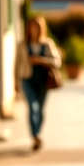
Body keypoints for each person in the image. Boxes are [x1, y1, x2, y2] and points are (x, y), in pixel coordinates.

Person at [15, 17, 61, 151]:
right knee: (32, 106)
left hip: (43, 80)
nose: (34, 29)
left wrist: (40, 60)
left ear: (41, 29)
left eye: (36, 27)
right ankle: (35, 136)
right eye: (32, 27)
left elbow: (57, 62)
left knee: (40, 109)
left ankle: (38, 132)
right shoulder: (22, 44)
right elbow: (16, 64)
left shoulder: (47, 44)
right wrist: (15, 82)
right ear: (28, 29)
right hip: (27, 79)